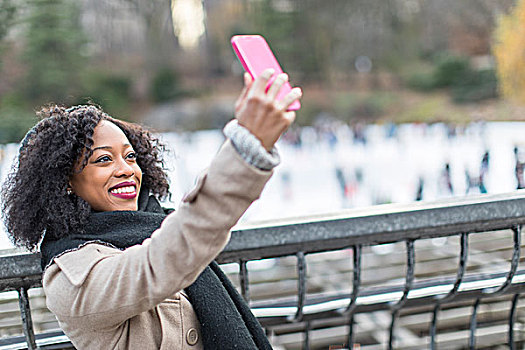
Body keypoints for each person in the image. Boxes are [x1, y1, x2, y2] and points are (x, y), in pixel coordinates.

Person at [1, 69, 302, 349]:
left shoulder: (157, 223)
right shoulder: (71, 275)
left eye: (130, 156)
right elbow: (163, 260)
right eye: (103, 160)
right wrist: (245, 150)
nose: (126, 170)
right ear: (64, 181)